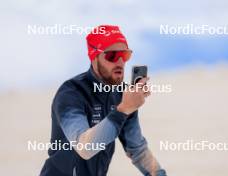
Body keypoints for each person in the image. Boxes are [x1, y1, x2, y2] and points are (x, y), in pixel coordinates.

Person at [40, 25, 167, 176]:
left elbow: (138, 150)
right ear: (94, 57)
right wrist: (123, 109)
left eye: (124, 55)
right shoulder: (71, 93)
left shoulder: (122, 94)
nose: (120, 62)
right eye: (112, 56)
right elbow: (85, 148)